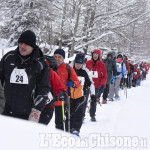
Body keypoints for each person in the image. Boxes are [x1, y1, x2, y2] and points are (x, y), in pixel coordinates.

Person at [0, 30, 50, 122]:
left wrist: (36, 111)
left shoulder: (40, 64)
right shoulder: (8, 58)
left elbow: (43, 89)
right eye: (21, 43)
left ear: (32, 46)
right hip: (5, 111)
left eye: (26, 44)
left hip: (26, 115)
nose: (22, 46)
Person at [54, 48, 80, 131]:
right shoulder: (49, 66)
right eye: (55, 56)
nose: (57, 59)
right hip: (48, 97)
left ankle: (61, 137)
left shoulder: (68, 68)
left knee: (59, 121)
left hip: (61, 99)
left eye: (59, 57)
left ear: (63, 58)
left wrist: (72, 83)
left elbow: (77, 82)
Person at [70, 53, 95, 135]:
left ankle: (76, 130)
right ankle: (69, 128)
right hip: (69, 96)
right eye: (77, 63)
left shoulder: (84, 72)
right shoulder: (69, 70)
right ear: (74, 62)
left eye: (80, 64)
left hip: (80, 97)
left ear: (82, 64)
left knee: (78, 114)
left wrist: (93, 95)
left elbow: (90, 84)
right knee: (70, 114)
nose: (78, 65)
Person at [39, 56, 66, 125]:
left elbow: (59, 87)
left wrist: (62, 93)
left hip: (47, 106)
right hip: (36, 105)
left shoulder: (51, 73)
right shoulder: (34, 71)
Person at [86, 49, 107, 121]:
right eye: (94, 54)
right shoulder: (88, 63)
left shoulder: (102, 64)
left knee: (93, 101)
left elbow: (104, 76)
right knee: (84, 100)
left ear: (99, 56)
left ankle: (92, 115)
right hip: (87, 84)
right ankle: (81, 115)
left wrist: (103, 84)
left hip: (96, 85)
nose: (95, 56)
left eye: (97, 55)